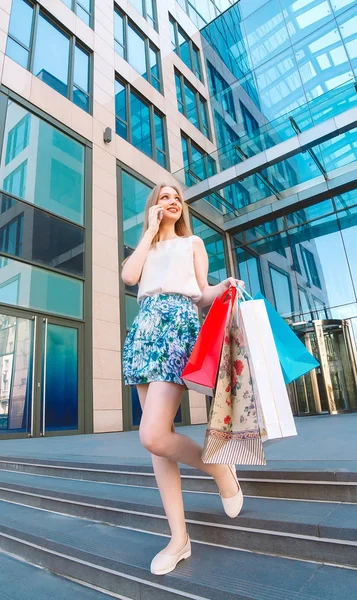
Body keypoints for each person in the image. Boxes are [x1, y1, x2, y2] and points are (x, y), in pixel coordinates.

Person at [121, 183, 244, 576]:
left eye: (176, 197)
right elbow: (129, 277)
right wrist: (147, 233)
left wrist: (224, 287)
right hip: (144, 329)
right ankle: (179, 539)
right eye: (164, 197)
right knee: (158, 446)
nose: (172, 201)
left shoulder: (193, 242)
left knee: (153, 434)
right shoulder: (148, 245)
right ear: (154, 207)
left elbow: (201, 292)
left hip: (177, 325)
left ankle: (219, 468)